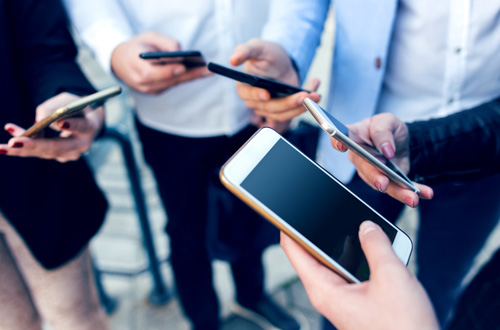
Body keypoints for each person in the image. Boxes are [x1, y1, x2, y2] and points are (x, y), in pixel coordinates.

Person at [229, 1, 500, 325]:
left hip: (485, 152)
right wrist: (288, 52)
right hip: (364, 142)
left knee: (440, 285)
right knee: (346, 283)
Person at [61, 1, 316, 329]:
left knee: (251, 216)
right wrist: (113, 46)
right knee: (186, 234)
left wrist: (286, 66)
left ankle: (251, 295)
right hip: (171, 117)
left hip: (254, 106)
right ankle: (204, 320)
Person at [281, 99, 500, 329]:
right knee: (347, 269)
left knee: (441, 282)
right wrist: (416, 144)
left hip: (479, 186)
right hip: (484, 304)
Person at [0, 0, 109, 329]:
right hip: (30, 170)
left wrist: (67, 97)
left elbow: (46, 50)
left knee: (74, 317)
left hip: (32, 176)